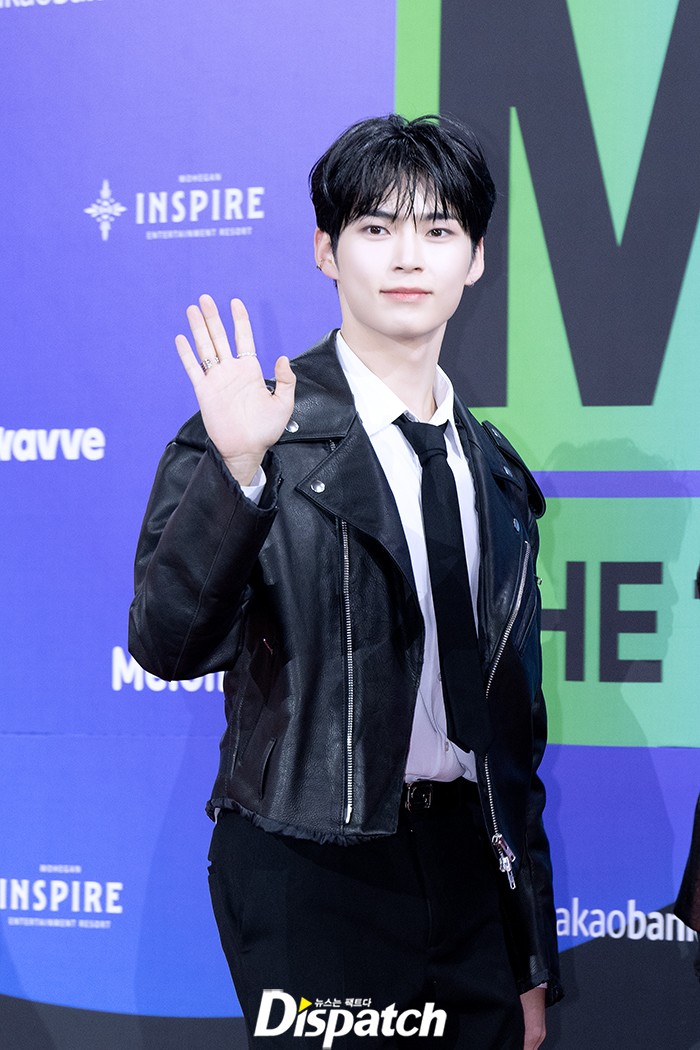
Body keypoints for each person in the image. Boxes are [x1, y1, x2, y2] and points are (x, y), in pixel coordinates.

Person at [129, 114, 562, 1048]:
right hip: (311, 865)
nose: (408, 256)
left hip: (469, 869)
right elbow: (168, 645)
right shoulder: (257, 431)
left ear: (476, 260)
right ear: (326, 250)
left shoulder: (495, 471)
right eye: (375, 227)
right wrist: (239, 474)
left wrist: (528, 953)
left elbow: (513, 739)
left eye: (438, 229)